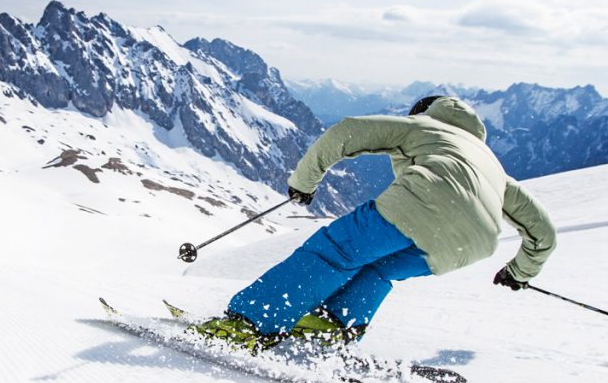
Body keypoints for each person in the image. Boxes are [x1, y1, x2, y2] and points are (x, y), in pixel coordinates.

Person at [193, 95, 557, 352]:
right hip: (471, 246)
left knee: (332, 255)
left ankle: (247, 325)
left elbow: (347, 132)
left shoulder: (426, 127)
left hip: (420, 204)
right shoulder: (489, 162)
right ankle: (332, 327)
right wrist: (519, 273)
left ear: (425, 112)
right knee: (380, 271)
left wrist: (304, 183)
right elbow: (543, 232)